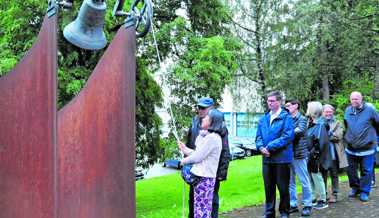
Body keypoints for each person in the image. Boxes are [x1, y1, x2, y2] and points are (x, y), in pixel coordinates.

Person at [185, 97, 230, 218]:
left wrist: (221, 173)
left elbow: (225, 151)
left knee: (210, 202)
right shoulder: (195, 122)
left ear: (211, 109)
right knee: (193, 201)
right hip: (195, 171)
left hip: (210, 173)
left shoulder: (218, 129)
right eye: (198, 107)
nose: (200, 110)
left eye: (203, 108)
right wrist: (186, 160)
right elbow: (190, 143)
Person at [179, 109, 223, 218]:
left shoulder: (212, 138)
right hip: (204, 178)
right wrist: (185, 149)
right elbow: (200, 153)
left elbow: (198, 157)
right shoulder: (209, 137)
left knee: (201, 211)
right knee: (201, 209)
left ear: (212, 122)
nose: (203, 118)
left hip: (204, 179)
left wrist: (182, 161)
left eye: (207, 117)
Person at [256, 91, 294, 218]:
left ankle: (284, 212)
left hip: (281, 158)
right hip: (267, 159)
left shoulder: (286, 117)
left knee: (283, 188)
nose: (269, 103)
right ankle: (269, 212)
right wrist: (260, 147)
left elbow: (287, 136)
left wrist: (270, 147)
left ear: (279, 102)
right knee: (268, 187)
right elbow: (258, 137)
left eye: (272, 101)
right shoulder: (264, 118)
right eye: (268, 101)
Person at [344, 91, 379, 202]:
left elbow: (378, 125)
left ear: (361, 99)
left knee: (367, 171)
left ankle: (364, 191)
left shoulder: (370, 110)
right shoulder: (348, 110)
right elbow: (346, 125)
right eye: (352, 99)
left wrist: (372, 139)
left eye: (356, 99)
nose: (354, 101)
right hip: (351, 148)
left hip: (367, 148)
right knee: (351, 171)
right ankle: (355, 188)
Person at [285, 100, 312, 216]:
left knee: (304, 180)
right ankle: (293, 204)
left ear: (296, 106)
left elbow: (299, 131)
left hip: (299, 154)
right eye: (285, 106)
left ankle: (307, 205)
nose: (286, 108)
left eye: (288, 105)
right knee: (290, 181)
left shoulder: (302, 119)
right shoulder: (286, 118)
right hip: (288, 154)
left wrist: (285, 134)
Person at [305, 101, 332, 210]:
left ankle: (322, 199)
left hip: (316, 157)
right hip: (310, 156)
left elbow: (320, 143)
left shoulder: (321, 125)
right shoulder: (311, 123)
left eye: (308, 107)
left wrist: (311, 154)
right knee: (311, 177)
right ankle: (315, 198)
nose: (306, 109)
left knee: (317, 177)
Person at [320, 104, 348, 203]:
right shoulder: (319, 122)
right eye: (326, 112)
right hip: (322, 155)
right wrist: (330, 135)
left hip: (333, 154)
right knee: (323, 175)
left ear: (333, 112)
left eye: (330, 112)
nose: (328, 113)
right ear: (322, 112)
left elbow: (338, 136)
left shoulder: (338, 122)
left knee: (334, 174)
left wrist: (325, 137)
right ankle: (324, 195)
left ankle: (335, 194)